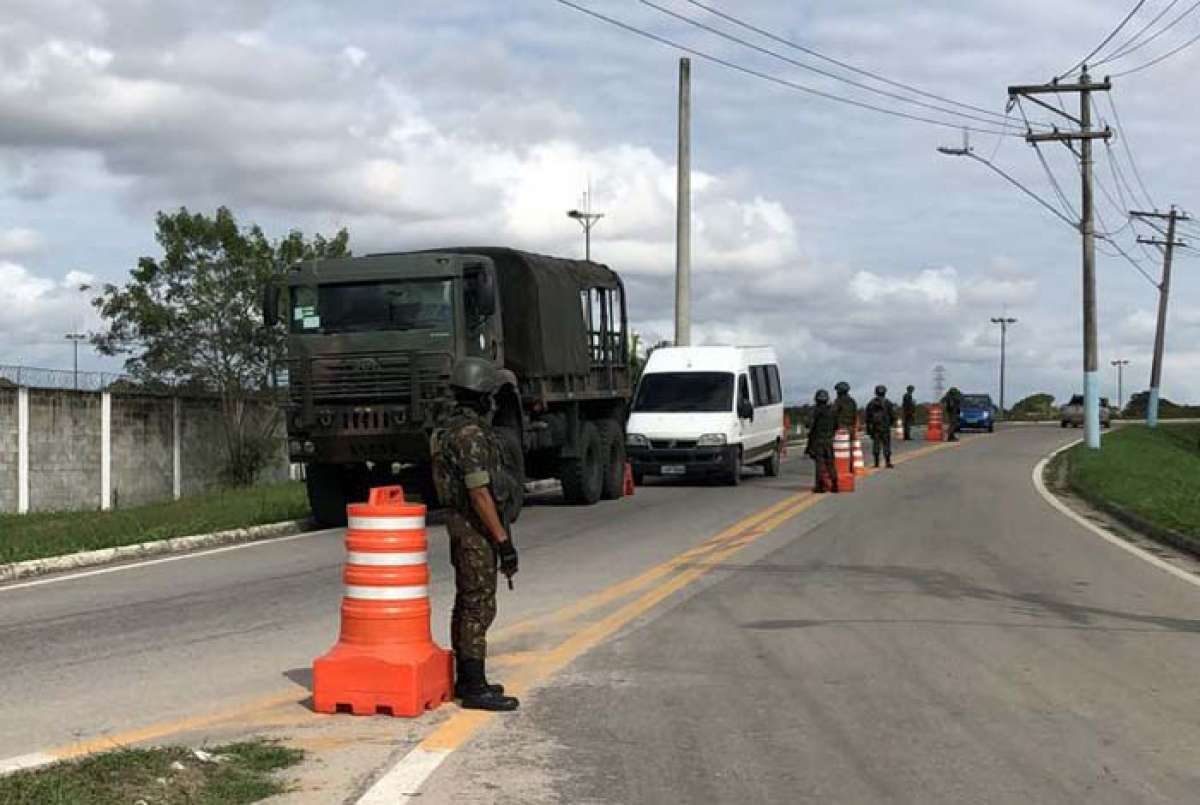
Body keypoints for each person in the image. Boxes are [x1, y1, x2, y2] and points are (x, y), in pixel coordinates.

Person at [430, 357, 521, 712]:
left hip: (463, 526)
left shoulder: (451, 429)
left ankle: (469, 679)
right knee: (478, 603)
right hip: (473, 529)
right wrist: (503, 540)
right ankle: (474, 686)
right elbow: (480, 492)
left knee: (468, 601)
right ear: (482, 395)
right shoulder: (469, 436)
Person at [805, 389, 838, 492]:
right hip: (828, 440)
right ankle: (835, 483)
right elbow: (836, 426)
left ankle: (820, 486)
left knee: (820, 464)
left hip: (818, 440)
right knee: (830, 463)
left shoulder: (815, 411)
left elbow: (809, 424)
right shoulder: (832, 411)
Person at [864, 385, 896, 468]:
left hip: (875, 427)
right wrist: (891, 423)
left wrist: (868, 428)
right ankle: (888, 462)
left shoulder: (871, 403)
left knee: (876, 444)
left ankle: (876, 463)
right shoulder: (888, 402)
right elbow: (893, 415)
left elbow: (867, 417)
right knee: (886, 444)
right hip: (885, 426)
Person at [832, 381, 858, 472]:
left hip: (840, 429)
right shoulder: (852, 401)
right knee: (849, 449)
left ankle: (840, 468)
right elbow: (855, 415)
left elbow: (833, 414)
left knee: (839, 450)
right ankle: (850, 467)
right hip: (850, 428)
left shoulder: (838, 401)